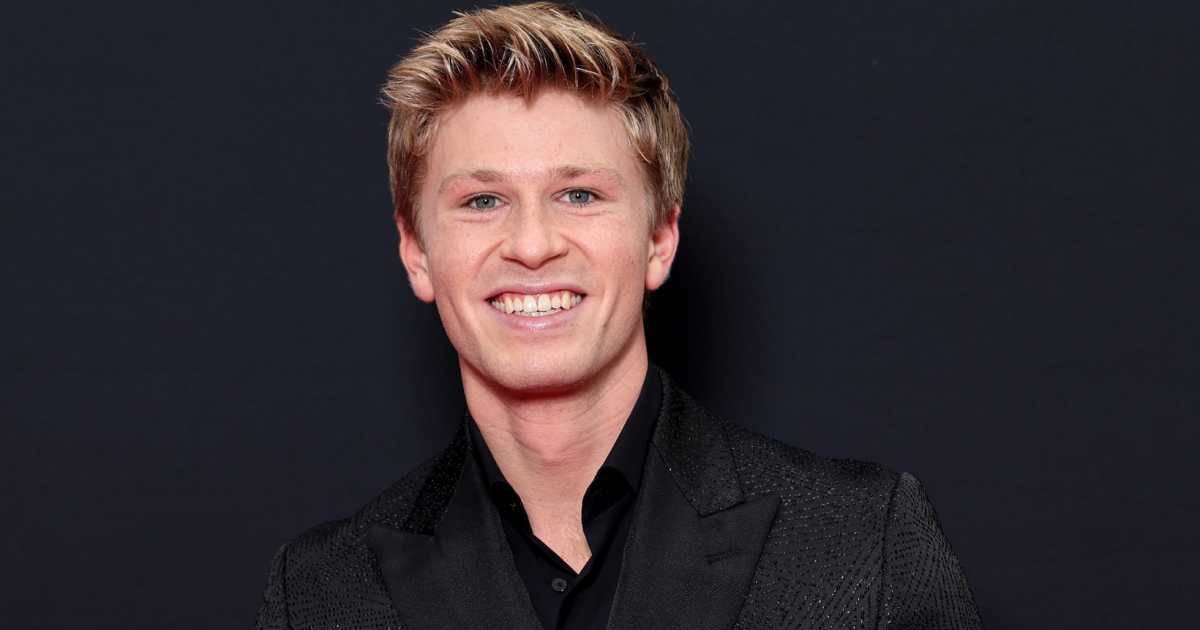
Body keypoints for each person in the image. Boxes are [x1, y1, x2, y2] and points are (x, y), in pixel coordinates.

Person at [256, 3, 984, 629]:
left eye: (579, 195)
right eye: (482, 201)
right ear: (416, 253)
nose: (533, 245)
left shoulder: (862, 540)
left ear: (659, 240)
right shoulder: (320, 592)